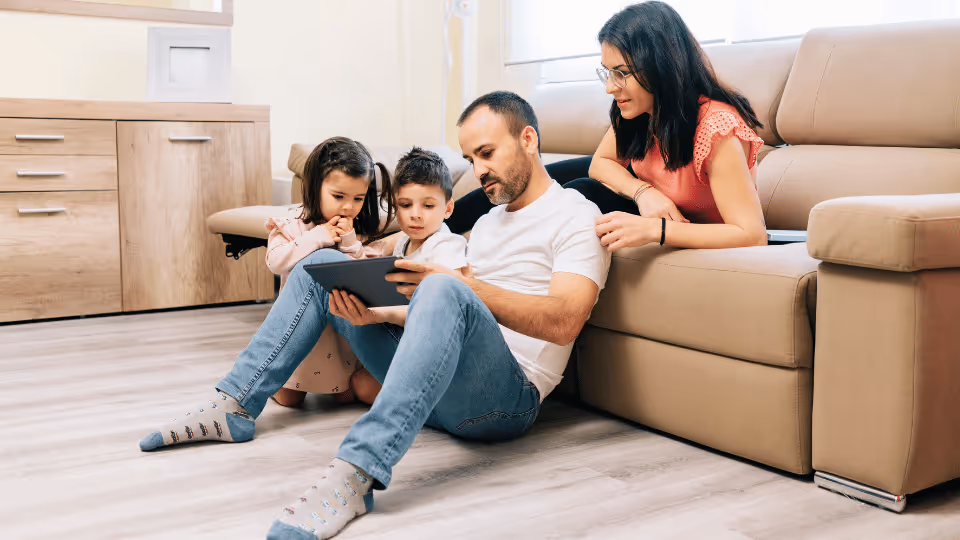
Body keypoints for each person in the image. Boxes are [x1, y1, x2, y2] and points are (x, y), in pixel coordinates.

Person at [137, 90, 609, 539]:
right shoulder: (485, 221)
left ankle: (356, 474)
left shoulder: (575, 215)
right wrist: (373, 310)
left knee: (444, 285)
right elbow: (438, 314)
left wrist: (459, 286)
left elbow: (563, 321)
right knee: (321, 264)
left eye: (486, 153)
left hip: (504, 401)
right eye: (470, 160)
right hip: (436, 388)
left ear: (528, 140)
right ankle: (234, 406)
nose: (479, 170)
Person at [448, 1, 769, 251]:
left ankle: (485, 248)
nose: (610, 88)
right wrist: (644, 193)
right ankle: (434, 229)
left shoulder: (715, 128)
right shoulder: (638, 109)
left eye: (622, 73)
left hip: (687, 225)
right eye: (607, 72)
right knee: (540, 175)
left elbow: (752, 235)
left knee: (574, 196)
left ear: (661, 67)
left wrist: (655, 231)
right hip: (645, 197)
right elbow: (600, 164)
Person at [260, 137, 394, 409]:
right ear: (314, 187)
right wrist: (318, 237)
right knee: (289, 399)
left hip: (337, 326)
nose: (348, 207)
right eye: (339, 197)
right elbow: (276, 262)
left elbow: (359, 273)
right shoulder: (294, 225)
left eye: (358, 198)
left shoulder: (354, 230)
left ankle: (335, 383)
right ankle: (275, 378)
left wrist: (350, 244)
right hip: (300, 326)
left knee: (341, 394)